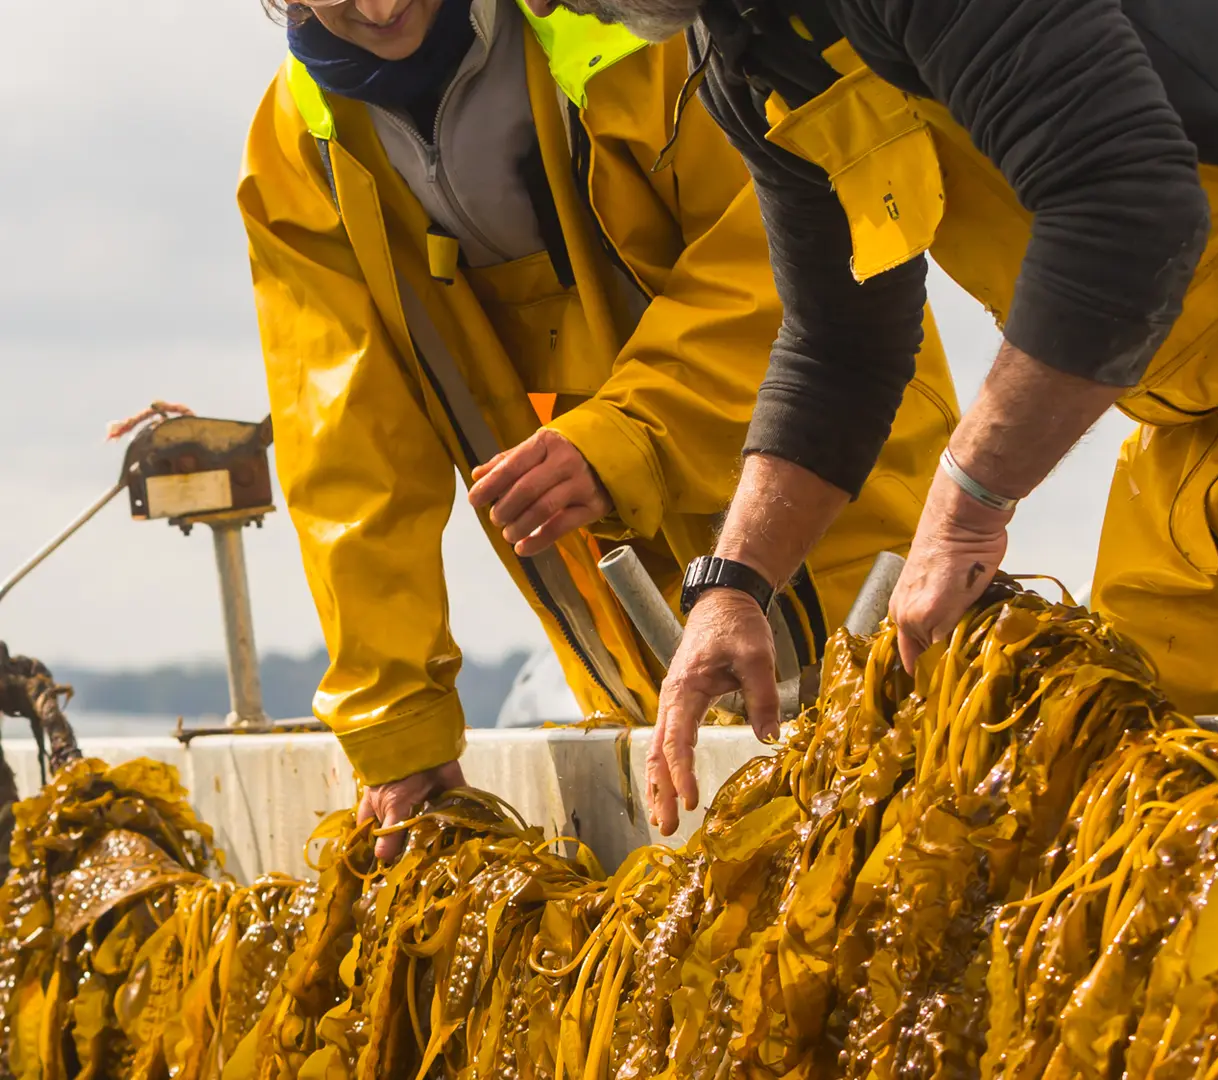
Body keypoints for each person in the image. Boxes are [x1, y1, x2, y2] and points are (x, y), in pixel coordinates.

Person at [525, 0, 1218, 835]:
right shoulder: (750, 49)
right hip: (1194, 411)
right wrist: (736, 585)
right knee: (1135, 834)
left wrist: (962, 513)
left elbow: (1123, 203)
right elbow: (841, 344)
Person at [240, 0, 959, 857]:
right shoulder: (297, 158)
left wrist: (625, 436)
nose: (382, 7)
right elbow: (348, 453)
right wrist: (399, 728)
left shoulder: (641, 25)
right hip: (629, 636)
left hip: (857, 539)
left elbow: (797, 273)